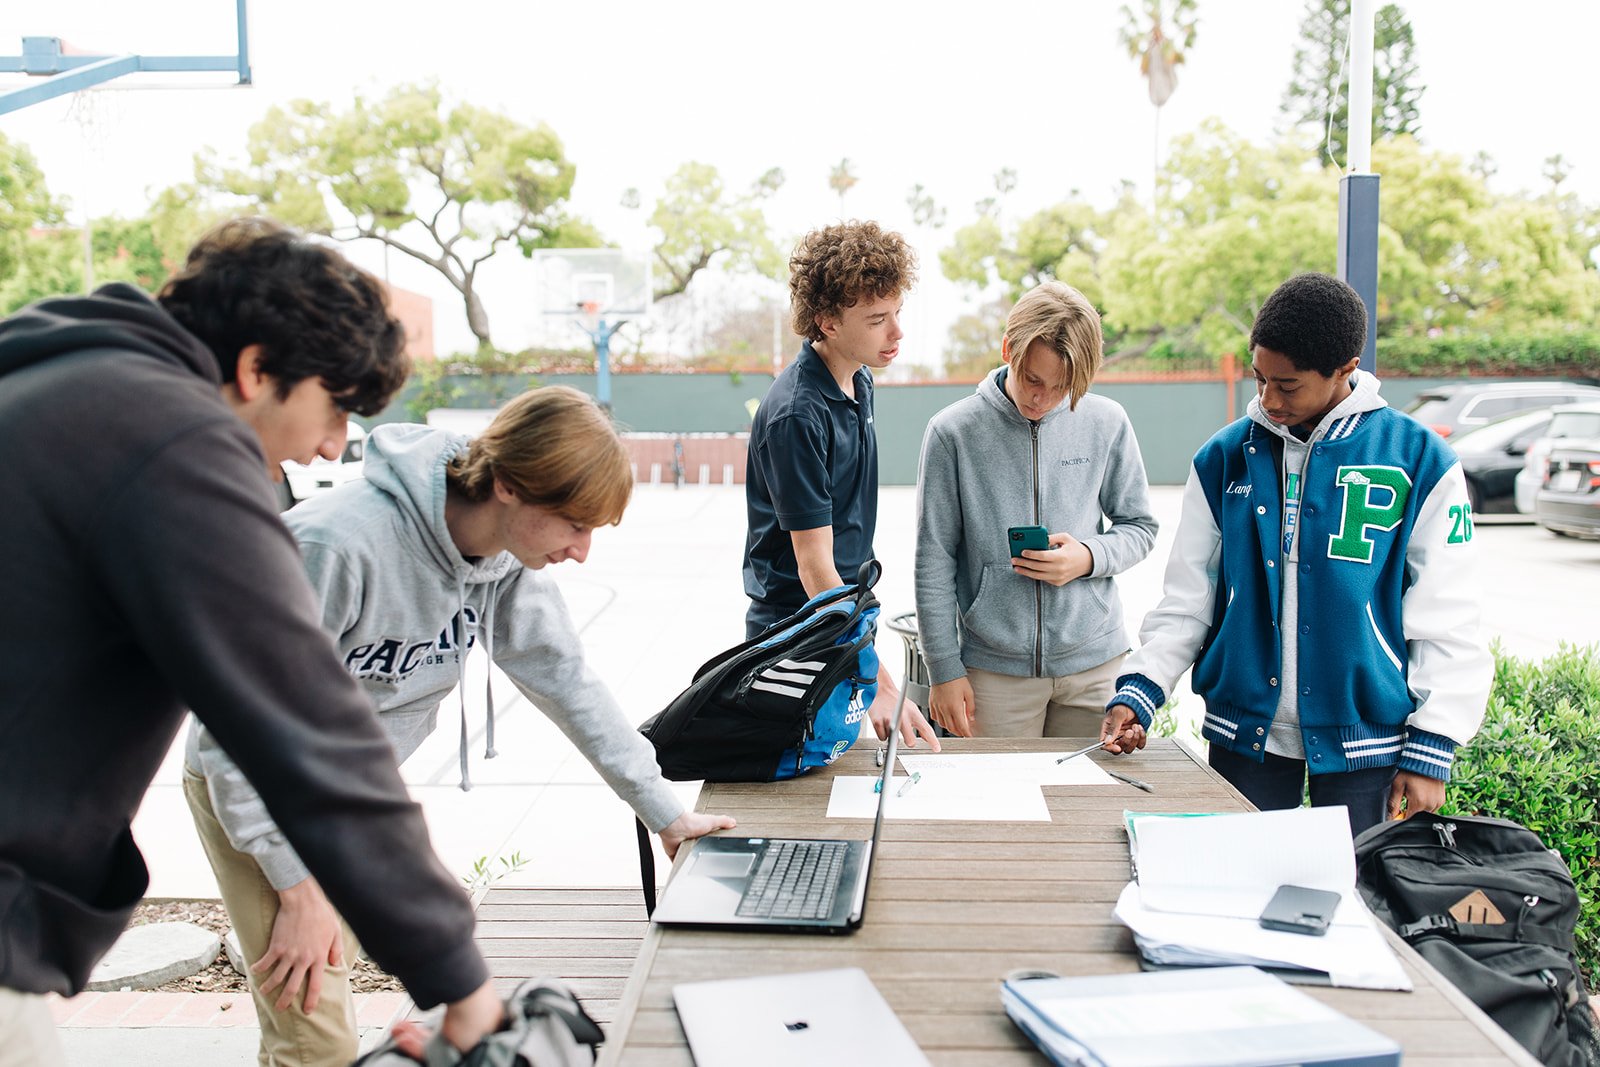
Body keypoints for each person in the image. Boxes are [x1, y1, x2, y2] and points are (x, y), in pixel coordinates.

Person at [0, 217, 501, 1064]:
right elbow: (303, 720)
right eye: (334, 406)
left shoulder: (61, 373)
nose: (334, 443)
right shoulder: (172, 438)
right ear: (257, 368)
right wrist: (459, 975)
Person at [186, 385, 737, 1066]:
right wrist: (295, 886)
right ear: (507, 486)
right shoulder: (336, 546)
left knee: (336, 982)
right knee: (313, 1033)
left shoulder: (503, 559)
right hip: (255, 783)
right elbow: (231, 730)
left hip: (351, 791)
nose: (582, 551)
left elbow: (567, 681)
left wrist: (665, 813)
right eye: (573, 524)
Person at [1101, 272, 1491, 837]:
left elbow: (1447, 611)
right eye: (1260, 379)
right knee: (1241, 877)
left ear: (1345, 368)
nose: (1268, 400)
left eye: (1287, 385)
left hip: (1366, 741)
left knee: (1352, 885)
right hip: (1245, 738)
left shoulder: (1419, 459)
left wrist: (1433, 745)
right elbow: (1189, 599)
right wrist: (1140, 690)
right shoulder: (1223, 458)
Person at [915, 281, 1157, 738]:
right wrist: (943, 669)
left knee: (1091, 788)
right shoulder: (952, 432)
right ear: (1009, 349)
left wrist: (1087, 557)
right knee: (1000, 788)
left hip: (1096, 663)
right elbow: (933, 559)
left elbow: (1140, 526)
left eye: (1063, 387)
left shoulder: (1107, 422)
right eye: (1033, 379)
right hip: (994, 673)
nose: (1042, 399)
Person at [743, 220, 939, 750]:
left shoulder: (858, 380)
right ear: (827, 322)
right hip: (796, 637)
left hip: (841, 620)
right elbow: (814, 570)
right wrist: (875, 678)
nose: (896, 333)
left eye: (897, 313)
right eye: (877, 320)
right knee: (800, 786)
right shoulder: (797, 415)